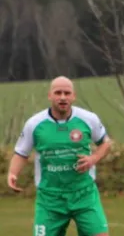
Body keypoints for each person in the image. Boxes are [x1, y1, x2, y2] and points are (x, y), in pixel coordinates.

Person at [7, 76, 112, 236]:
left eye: (67, 93)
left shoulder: (88, 119)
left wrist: (93, 159)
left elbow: (105, 143)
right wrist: (13, 173)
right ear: (50, 96)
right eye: (58, 93)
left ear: (73, 96)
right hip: (50, 198)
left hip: (84, 194)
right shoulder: (34, 124)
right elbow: (21, 153)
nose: (62, 97)